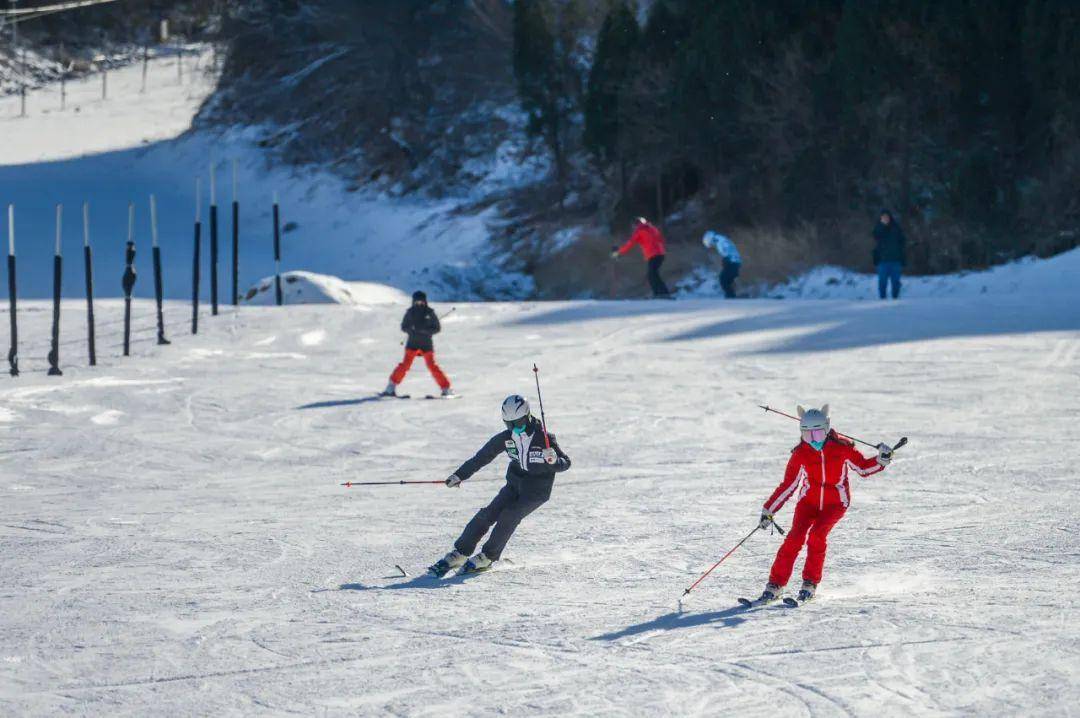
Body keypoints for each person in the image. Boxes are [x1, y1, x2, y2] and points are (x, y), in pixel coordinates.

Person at [751, 404, 894, 604]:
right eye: (808, 436)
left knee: (817, 535)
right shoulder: (801, 453)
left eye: (817, 435)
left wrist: (881, 460)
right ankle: (775, 585)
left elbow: (862, 468)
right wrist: (769, 510)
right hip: (807, 503)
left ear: (827, 429)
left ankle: (809, 584)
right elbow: (789, 485)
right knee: (794, 538)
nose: (813, 441)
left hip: (835, 504)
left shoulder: (842, 448)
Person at [428, 395, 571, 576]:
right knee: (487, 514)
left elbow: (565, 463)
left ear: (527, 417)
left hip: (536, 490)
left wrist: (554, 461)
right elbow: (481, 457)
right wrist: (459, 475)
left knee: (509, 516)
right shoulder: (506, 438)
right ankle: (460, 553)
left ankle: (487, 557)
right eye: (509, 424)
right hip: (515, 484)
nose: (514, 429)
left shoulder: (544, 439)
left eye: (518, 424)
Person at [382, 291, 453, 397]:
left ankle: (446, 389)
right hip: (412, 344)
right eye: (417, 302)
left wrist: (424, 330)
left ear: (425, 301)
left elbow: (437, 328)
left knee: (432, 366)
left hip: (426, 344)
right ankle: (390, 388)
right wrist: (411, 329)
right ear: (413, 302)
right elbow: (403, 326)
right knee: (405, 365)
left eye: (421, 302)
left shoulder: (430, 312)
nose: (419, 304)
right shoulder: (410, 312)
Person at [612, 217, 671, 298]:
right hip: (661, 254)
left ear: (636, 224)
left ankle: (660, 294)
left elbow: (630, 244)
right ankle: (662, 293)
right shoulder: (652, 228)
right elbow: (661, 239)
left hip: (653, 254)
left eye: (633, 225)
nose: (633, 227)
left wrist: (618, 253)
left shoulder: (639, 231)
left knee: (652, 275)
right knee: (653, 274)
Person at [872, 210, 906, 299]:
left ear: (890, 217)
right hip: (882, 261)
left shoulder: (896, 228)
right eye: (883, 217)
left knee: (896, 282)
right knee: (882, 282)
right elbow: (875, 236)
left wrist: (902, 257)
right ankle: (882, 299)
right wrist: (882, 226)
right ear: (881, 218)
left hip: (896, 260)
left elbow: (902, 242)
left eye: (887, 217)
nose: (885, 219)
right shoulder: (878, 228)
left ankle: (895, 298)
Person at [702, 230, 741, 298]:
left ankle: (731, 296)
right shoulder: (720, 239)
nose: (712, 246)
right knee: (727, 279)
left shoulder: (720, 240)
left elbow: (728, 249)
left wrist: (726, 259)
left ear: (710, 239)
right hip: (734, 261)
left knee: (723, 279)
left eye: (710, 244)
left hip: (733, 261)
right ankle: (732, 294)